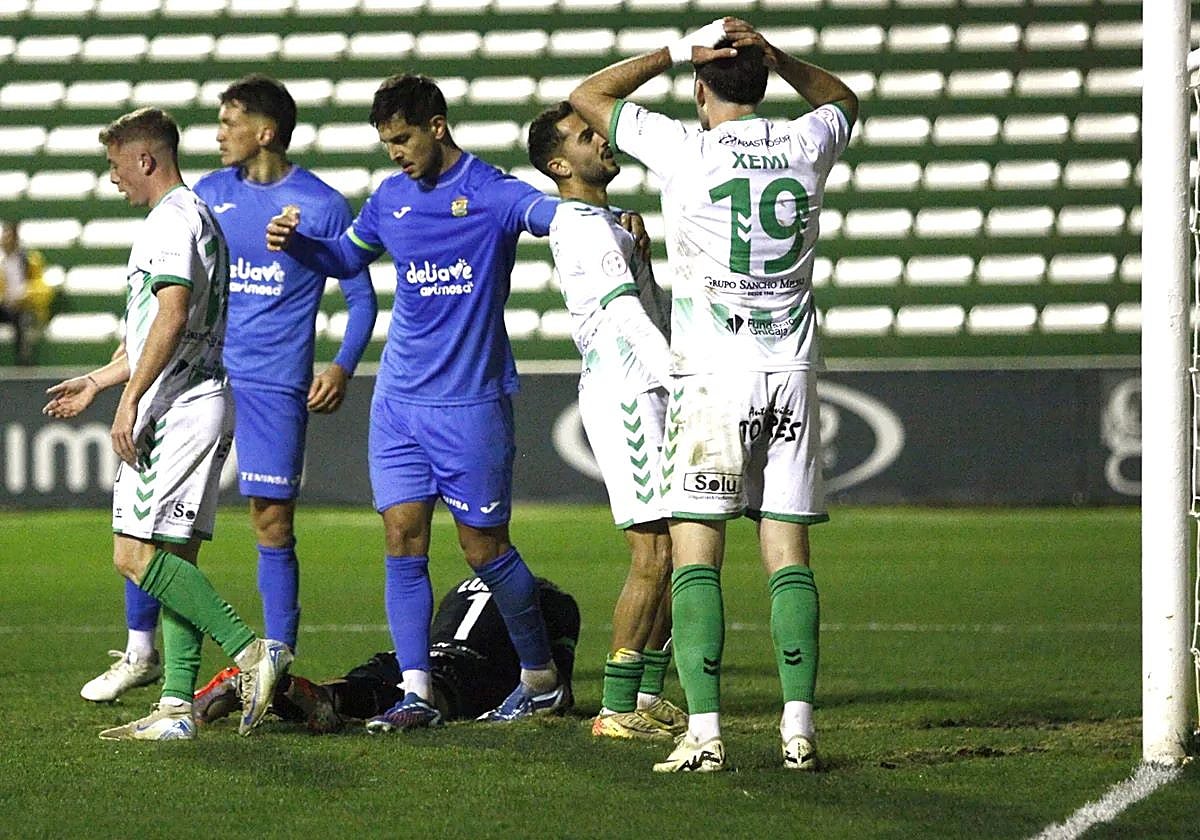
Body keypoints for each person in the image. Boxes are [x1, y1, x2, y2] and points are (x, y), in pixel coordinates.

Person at [569, 18, 859, 772]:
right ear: (762, 81)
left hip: (710, 376)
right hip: (791, 374)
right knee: (788, 552)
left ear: (702, 90)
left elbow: (587, 96)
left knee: (697, 552)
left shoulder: (685, 147)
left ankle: (705, 731)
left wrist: (675, 49)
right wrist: (782, 59)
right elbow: (844, 98)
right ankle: (799, 729)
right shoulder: (805, 142)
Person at [265, 73, 567, 731]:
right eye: (386, 143)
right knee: (402, 539)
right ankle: (417, 692)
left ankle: (542, 679)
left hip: (470, 402)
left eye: (403, 139)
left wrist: (598, 217)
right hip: (398, 399)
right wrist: (302, 245)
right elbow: (347, 256)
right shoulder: (390, 198)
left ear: (437, 126)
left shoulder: (489, 192)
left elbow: (551, 215)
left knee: (484, 550)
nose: (396, 153)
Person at [80, 75, 379, 703]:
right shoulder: (204, 197)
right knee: (159, 526)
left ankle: (276, 664)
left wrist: (342, 366)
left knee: (269, 522)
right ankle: (143, 653)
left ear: (264, 132)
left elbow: (360, 294)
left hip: (273, 380)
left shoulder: (320, 204)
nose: (217, 134)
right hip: (202, 370)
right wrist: (127, 366)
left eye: (229, 121)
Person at [42, 106, 293, 740]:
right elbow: (159, 328)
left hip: (177, 408)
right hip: (198, 397)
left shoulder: (167, 222)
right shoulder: (197, 216)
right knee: (174, 556)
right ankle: (177, 709)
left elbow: (173, 314)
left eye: (114, 164)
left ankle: (252, 652)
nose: (112, 178)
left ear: (145, 159)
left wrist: (130, 401)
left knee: (134, 556)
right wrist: (101, 381)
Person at [526, 101, 687, 741]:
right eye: (586, 135)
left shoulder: (607, 223)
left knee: (678, 550)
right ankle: (616, 708)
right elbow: (622, 317)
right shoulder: (584, 229)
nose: (603, 138)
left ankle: (645, 695)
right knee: (652, 553)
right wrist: (683, 377)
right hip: (627, 393)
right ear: (560, 163)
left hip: (650, 388)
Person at [192, 576, 580, 732]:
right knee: (429, 701)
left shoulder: (463, 586)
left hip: (411, 657)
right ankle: (306, 696)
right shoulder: (557, 603)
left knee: (360, 686)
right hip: (467, 668)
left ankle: (288, 688)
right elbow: (557, 692)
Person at [0, 220, 38, 365]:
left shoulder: (29, 259)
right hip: (3, 305)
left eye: (10, 236)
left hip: (22, 305)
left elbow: (39, 284)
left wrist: (25, 296)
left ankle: (23, 363)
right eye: (5, 235)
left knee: (22, 319)